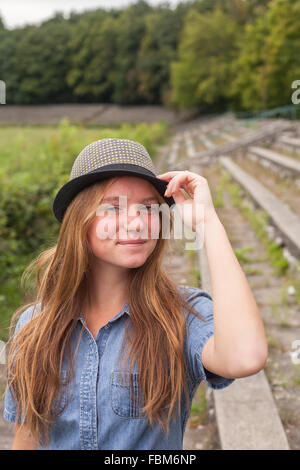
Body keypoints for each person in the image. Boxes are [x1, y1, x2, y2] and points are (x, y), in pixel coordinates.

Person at [3, 138, 268, 450]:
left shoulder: (181, 316)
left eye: (148, 208)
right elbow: (27, 438)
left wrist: (208, 222)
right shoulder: (34, 326)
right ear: (80, 220)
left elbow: (244, 357)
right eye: (114, 208)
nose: (137, 222)